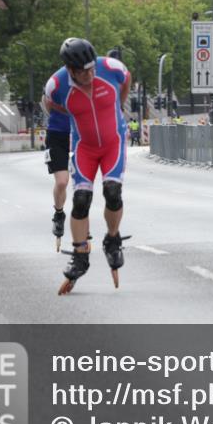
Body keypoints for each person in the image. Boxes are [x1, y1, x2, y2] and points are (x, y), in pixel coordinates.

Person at [44, 37, 132, 294]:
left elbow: (126, 81)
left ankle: (112, 239)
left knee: (112, 193)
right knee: (81, 199)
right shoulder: (56, 85)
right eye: (84, 72)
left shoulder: (113, 68)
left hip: (113, 142)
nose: (91, 75)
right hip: (85, 147)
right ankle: (80, 254)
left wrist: (118, 107)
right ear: (71, 70)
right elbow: (52, 106)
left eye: (93, 69)